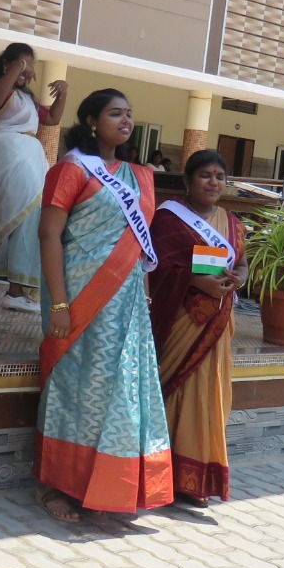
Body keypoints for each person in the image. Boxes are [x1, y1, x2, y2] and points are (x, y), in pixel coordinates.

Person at [35, 88, 173, 522]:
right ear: (92, 121)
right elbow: (48, 235)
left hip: (127, 302)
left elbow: (139, 247)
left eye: (129, 114)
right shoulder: (71, 169)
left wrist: (144, 294)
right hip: (79, 297)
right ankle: (58, 485)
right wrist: (59, 303)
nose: (126, 120)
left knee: (122, 391)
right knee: (76, 389)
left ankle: (110, 486)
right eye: (115, 113)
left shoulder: (141, 176)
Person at [149, 149, 247, 508]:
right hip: (181, 323)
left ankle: (195, 482)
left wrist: (239, 278)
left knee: (209, 398)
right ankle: (161, 475)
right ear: (188, 180)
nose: (213, 182)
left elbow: (243, 262)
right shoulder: (167, 219)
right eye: (205, 175)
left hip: (217, 325)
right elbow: (155, 268)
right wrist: (196, 281)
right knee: (177, 391)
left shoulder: (232, 223)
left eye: (220, 177)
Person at [0, 42, 66, 314]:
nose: (28, 72)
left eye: (31, 67)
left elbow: (52, 119)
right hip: (9, 155)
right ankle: (15, 292)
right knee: (24, 218)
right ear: (8, 64)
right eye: (24, 64)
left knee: (18, 220)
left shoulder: (27, 99)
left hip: (30, 158)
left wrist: (63, 94)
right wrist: (16, 69)